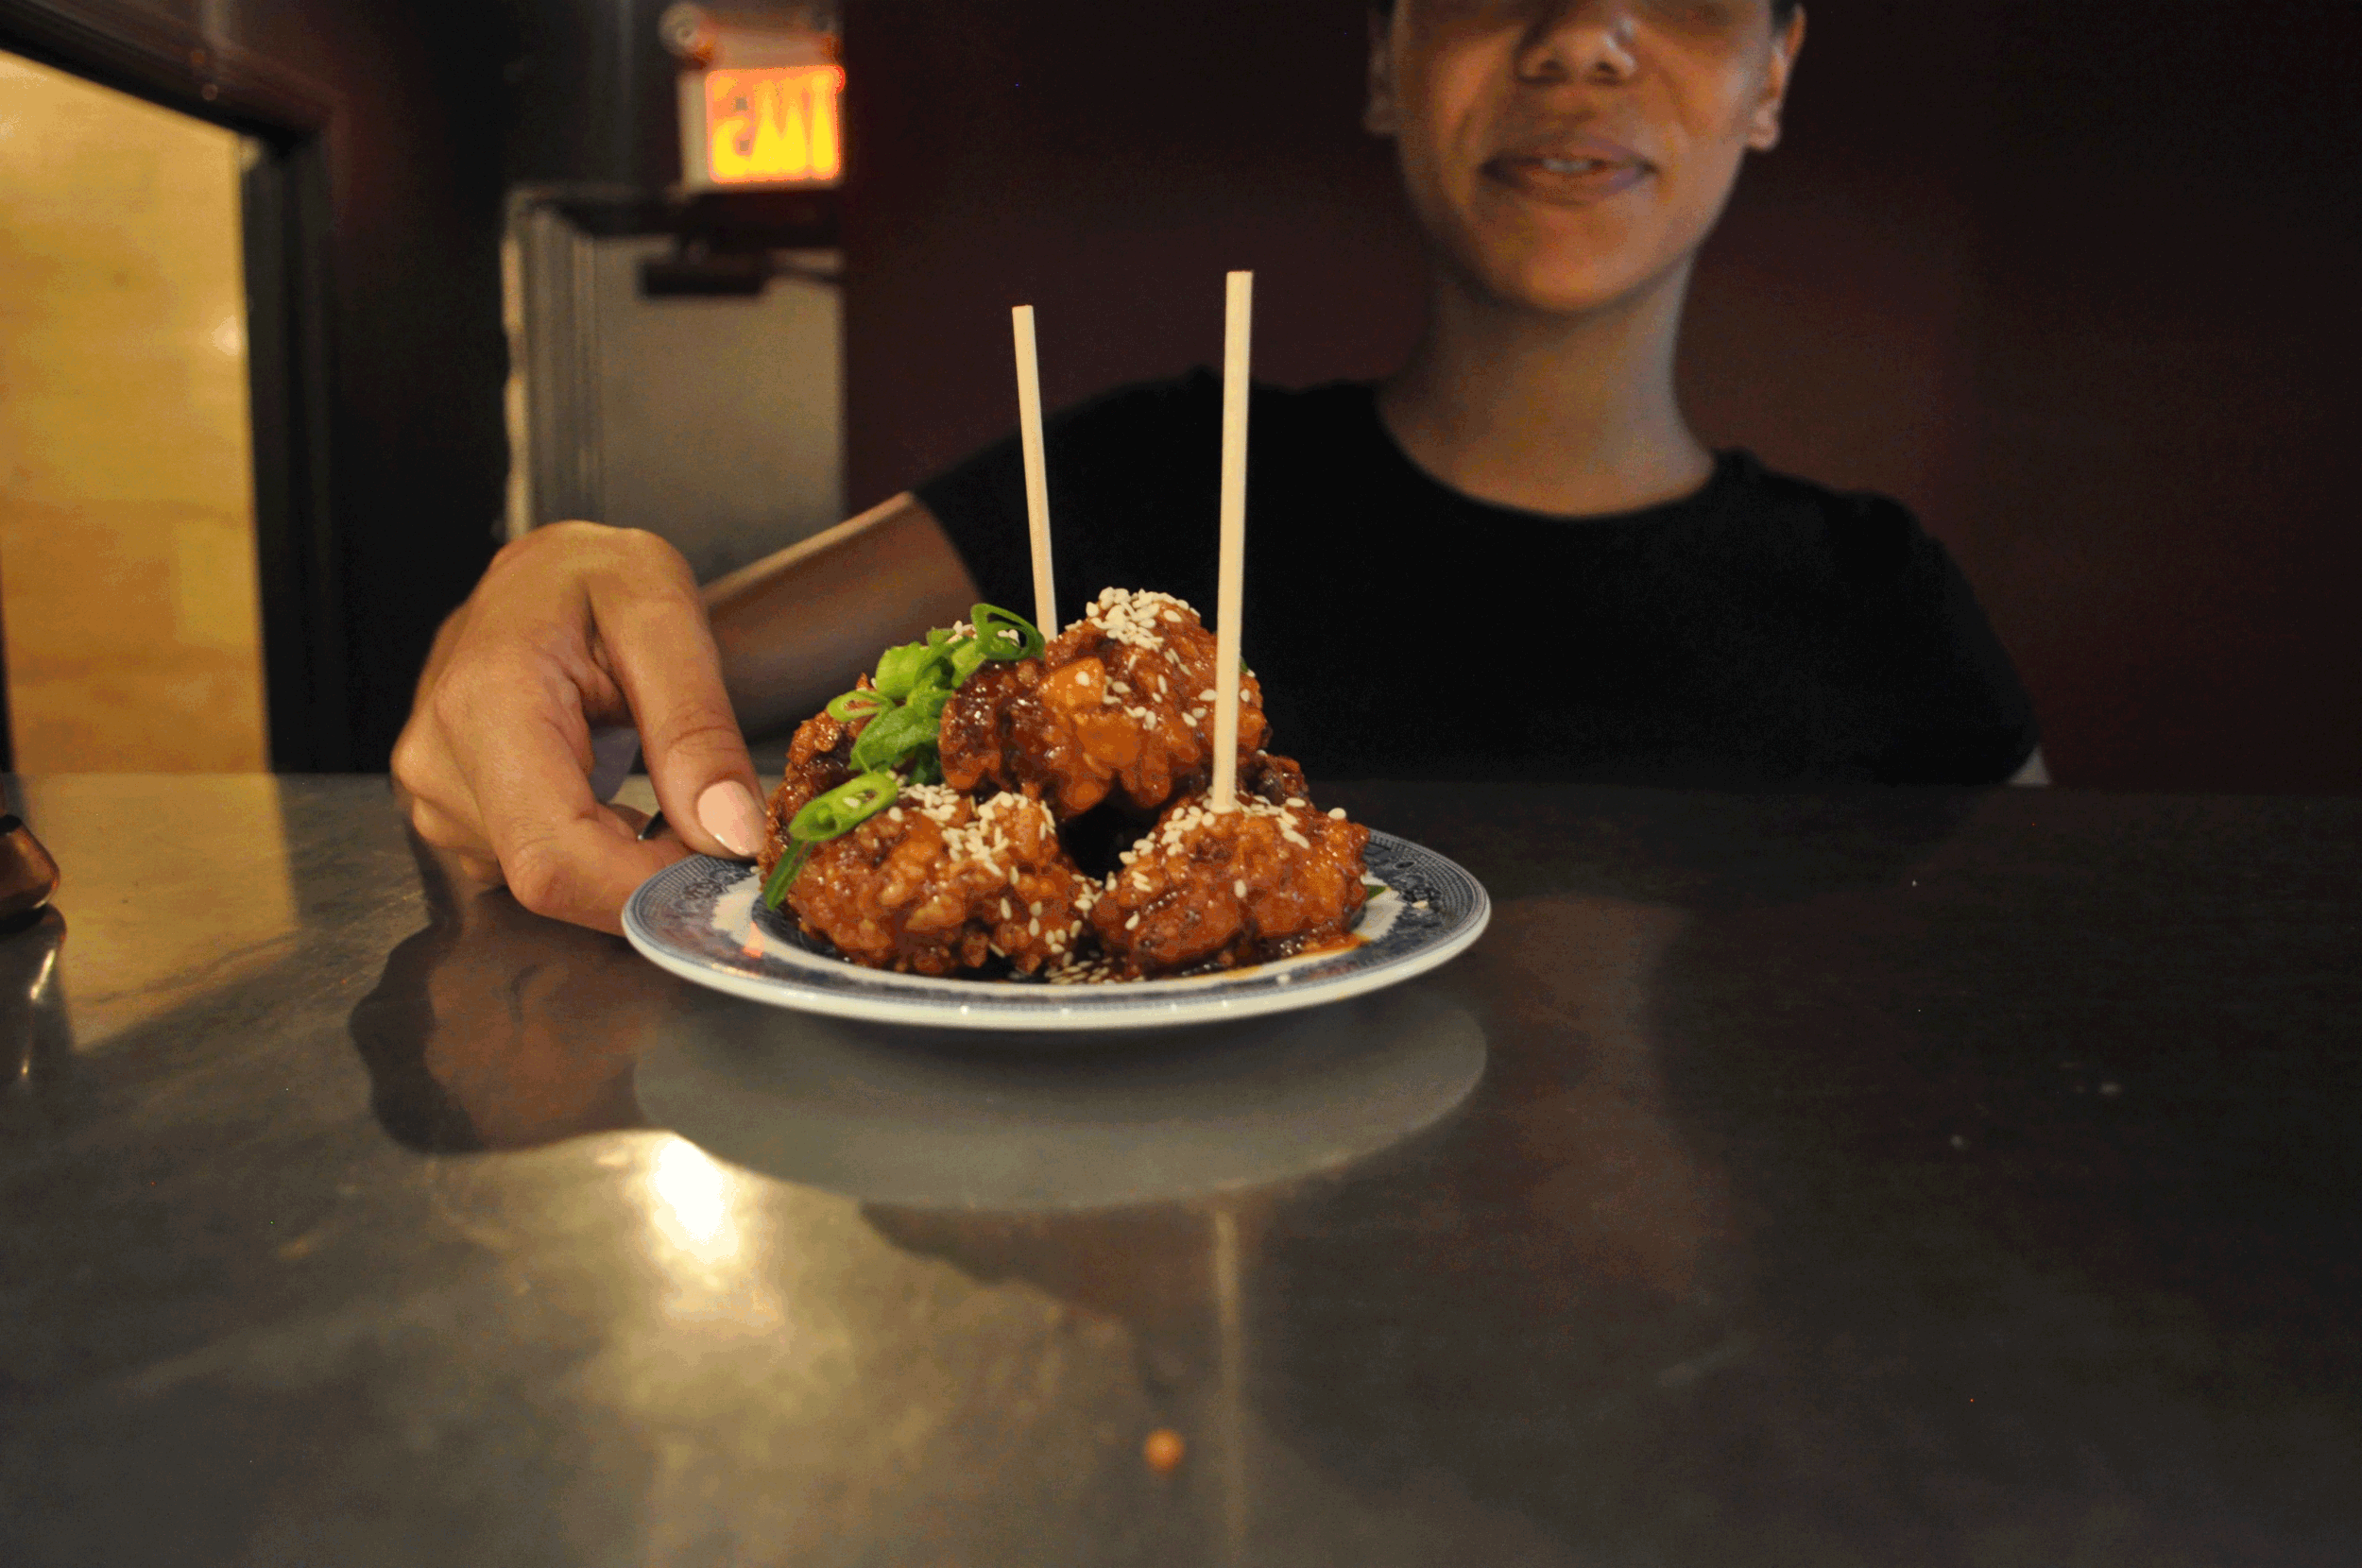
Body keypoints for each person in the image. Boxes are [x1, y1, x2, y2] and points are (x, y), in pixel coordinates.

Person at [395, 0, 2043, 934]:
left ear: (1775, 73)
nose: (1585, 37)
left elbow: (2047, 998)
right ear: (1391, 58)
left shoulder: (1885, 596)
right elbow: (625, 677)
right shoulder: (1154, 478)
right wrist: (562, 589)